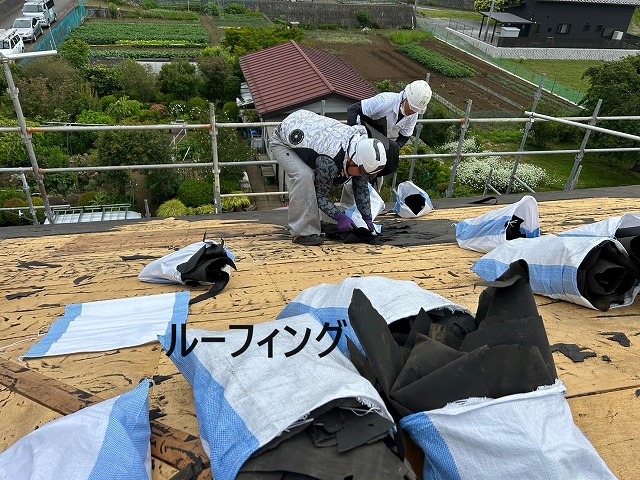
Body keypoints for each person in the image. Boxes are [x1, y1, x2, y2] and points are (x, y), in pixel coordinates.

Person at [270, 109, 387, 246]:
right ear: (353, 160)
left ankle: (314, 222)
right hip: (282, 141)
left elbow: (360, 187)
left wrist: (367, 217)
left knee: (315, 174)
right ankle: (302, 233)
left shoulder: (360, 152)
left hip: (309, 131)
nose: (362, 176)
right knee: (304, 176)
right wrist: (340, 217)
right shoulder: (329, 161)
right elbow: (321, 196)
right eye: (362, 172)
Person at [346, 80, 432, 179]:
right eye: (412, 107)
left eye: (416, 110)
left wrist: (391, 150)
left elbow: (404, 137)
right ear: (405, 97)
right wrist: (353, 140)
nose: (413, 112)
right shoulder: (384, 101)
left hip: (378, 144)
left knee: (374, 178)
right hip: (360, 139)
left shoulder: (413, 114)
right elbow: (353, 109)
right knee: (353, 176)